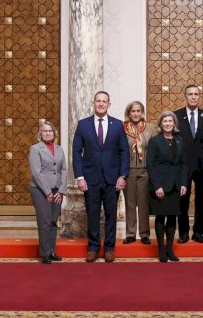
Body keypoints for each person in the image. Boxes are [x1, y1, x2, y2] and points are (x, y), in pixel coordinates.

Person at [72, 91, 129, 263]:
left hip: (113, 179)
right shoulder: (83, 125)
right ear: (94, 103)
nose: (101, 104)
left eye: (104, 101)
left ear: (109, 104)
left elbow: (124, 151)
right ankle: (93, 248)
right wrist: (80, 177)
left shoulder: (118, 125)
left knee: (111, 215)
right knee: (93, 215)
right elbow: (76, 152)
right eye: (98, 101)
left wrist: (123, 175)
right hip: (90, 179)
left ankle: (110, 248)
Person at [174, 84, 203, 243]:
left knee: (201, 200)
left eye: (196, 94)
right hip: (182, 165)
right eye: (190, 94)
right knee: (182, 200)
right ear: (185, 96)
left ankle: (198, 232)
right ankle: (183, 233)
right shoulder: (176, 115)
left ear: (199, 96)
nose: (193, 97)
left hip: (202, 165)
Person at [146, 111, 188, 262]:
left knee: (172, 217)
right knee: (160, 217)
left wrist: (183, 183)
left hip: (175, 185)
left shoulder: (180, 140)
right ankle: (161, 250)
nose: (168, 124)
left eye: (170, 121)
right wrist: (157, 186)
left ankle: (170, 249)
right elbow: (150, 164)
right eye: (165, 121)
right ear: (160, 124)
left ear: (174, 123)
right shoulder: (155, 141)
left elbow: (184, 164)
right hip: (160, 186)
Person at [28, 121, 67, 264]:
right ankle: (44, 253)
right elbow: (36, 172)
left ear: (54, 133)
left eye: (50, 131)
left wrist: (61, 191)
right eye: (44, 131)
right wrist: (47, 192)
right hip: (40, 190)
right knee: (44, 221)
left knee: (53, 221)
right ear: (40, 134)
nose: (47, 133)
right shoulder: (35, 149)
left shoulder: (59, 149)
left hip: (57, 190)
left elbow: (64, 170)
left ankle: (51, 251)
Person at [123, 101, 158, 245]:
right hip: (128, 170)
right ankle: (130, 233)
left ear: (142, 112)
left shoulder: (150, 128)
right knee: (130, 203)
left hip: (145, 170)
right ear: (129, 113)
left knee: (144, 203)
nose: (136, 114)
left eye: (138, 111)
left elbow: (156, 149)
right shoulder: (123, 128)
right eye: (133, 111)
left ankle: (144, 234)